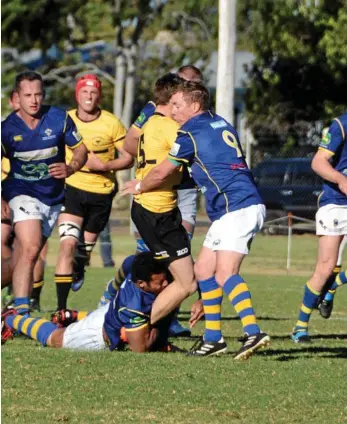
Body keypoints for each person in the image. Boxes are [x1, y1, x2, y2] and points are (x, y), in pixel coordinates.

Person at [122, 80, 270, 360]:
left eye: (177, 105)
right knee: (203, 270)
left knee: (225, 273)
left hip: (236, 206)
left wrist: (139, 186)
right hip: (238, 205)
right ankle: (213, 338)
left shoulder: (189, 132)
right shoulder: (220, 121)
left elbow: (163, 171)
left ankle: (253, 332)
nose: (172, 110)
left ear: (195, 106)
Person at [117, 65, 205, 335]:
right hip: (158, 213)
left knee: (163, 273)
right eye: (179, 99)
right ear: (171, 99)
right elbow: (194, 156)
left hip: (152, 209)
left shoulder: (150, 123)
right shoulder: (168, 127)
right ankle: (132, 326)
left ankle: (147, 327)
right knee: (186, 282)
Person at [1, 71, 87, 316]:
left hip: (53, 199)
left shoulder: (58, 118)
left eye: (38, 94)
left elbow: (81, 150)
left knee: (26, 256)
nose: (34, 100)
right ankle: (21, 313)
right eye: (28, 95)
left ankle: (15, 307)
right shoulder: (6, 130)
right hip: (20, 192)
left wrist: (70, 167)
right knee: (30, 247)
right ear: (17, 98)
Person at [54, 74, 133, 311]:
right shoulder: (64, 119)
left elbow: (129, 157)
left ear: (98, 96)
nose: (89, 96)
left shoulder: (111, 123)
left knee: (82, 254)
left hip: (101, 194)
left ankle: (79, 267)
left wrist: (106, 166)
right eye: (84, 92)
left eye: (93, 92)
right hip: (72, 189)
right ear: (77, 94)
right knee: (67, 245)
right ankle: (60, 309)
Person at [2, 253, 172, 353]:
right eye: (161, 283)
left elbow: (128, 262)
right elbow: (140, 349)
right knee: (56, 339)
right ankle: (11, 318)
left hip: (112, 311)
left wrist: (110, 292)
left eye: (166, 279)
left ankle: (72, 316)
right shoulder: (133, 305)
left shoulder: (139, 266)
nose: (166, 285)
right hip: (98, 332)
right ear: (141, 283)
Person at [292, 112, 347, 343]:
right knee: (324, 268)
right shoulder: (341, 124)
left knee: (330, 275)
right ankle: (300, 327)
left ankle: (333, 286)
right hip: (335, 203)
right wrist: (341, 179)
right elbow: (318, 161)